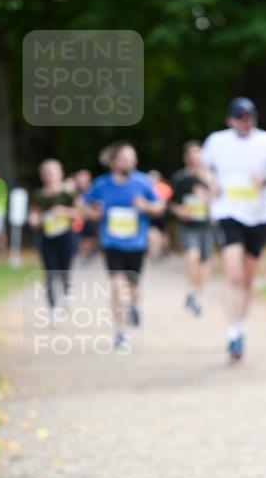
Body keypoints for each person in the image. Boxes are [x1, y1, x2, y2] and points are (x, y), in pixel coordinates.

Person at [201, 97, 266, 361]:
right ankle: (231, 333)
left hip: (259, 216)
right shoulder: (217, 141)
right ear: (230, 120)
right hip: (228, 212)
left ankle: (241, 327)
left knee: (248, 279)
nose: (245, 121)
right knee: (233, 275)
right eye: (240, 117)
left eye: (249, 116)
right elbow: (204, 167)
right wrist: (211, 183)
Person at [82, 143, 164, 351]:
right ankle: (120, 331)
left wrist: (145, 206)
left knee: (133, 287)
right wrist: (93, 213)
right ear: (113, 162)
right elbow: (82, 204)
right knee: (116, 284)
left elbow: (159, 206)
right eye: (126, 158)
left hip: (136, 244)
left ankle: (134, 305)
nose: (130, 162)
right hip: (112, 243)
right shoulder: (102, 184)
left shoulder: (142, 182)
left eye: (132, 158)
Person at [169, 141, 218, 316]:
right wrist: (180, 211)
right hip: (188, 226)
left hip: (205, 226)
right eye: (193, 154)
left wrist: (206, 192)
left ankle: (196, 296)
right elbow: (171, 203)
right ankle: (191, 290)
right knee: (193, 255)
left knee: (204, 264)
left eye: (199, 154)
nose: (196, 157)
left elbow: (218, 196)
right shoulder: (179, 178)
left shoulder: (210, 177)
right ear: (186, 157)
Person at [28, 160, 79, 322]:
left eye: (52, 172)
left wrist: (64, 211)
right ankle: (53, 309)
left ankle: (66, 295)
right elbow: (33, 215)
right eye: (46, 173)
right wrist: (35, 220)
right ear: (42, 176)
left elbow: (80, 213)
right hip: (46, 237)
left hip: (66, 236)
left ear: (60, 174)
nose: (49, 176)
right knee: (49, 272)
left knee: (65, 270)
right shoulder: (38, 195)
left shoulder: (68, 193)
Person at [71, 169, 98, 265]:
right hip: (78, 219)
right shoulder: (73, 192)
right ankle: (84, 257)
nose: (82, 183)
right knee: (81, 239)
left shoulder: (94, 191)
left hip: (91, 220)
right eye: (79, 181)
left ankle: (91, 253)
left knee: (91, 239)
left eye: (84, 181)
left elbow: (97, 206)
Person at [147, 170, 173, 260]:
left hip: (155, 213)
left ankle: (156, 251)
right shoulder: (166, 187)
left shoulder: (149, 187)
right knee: (163, 232)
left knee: (154, 232)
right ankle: (163, 251)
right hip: (163, 213)